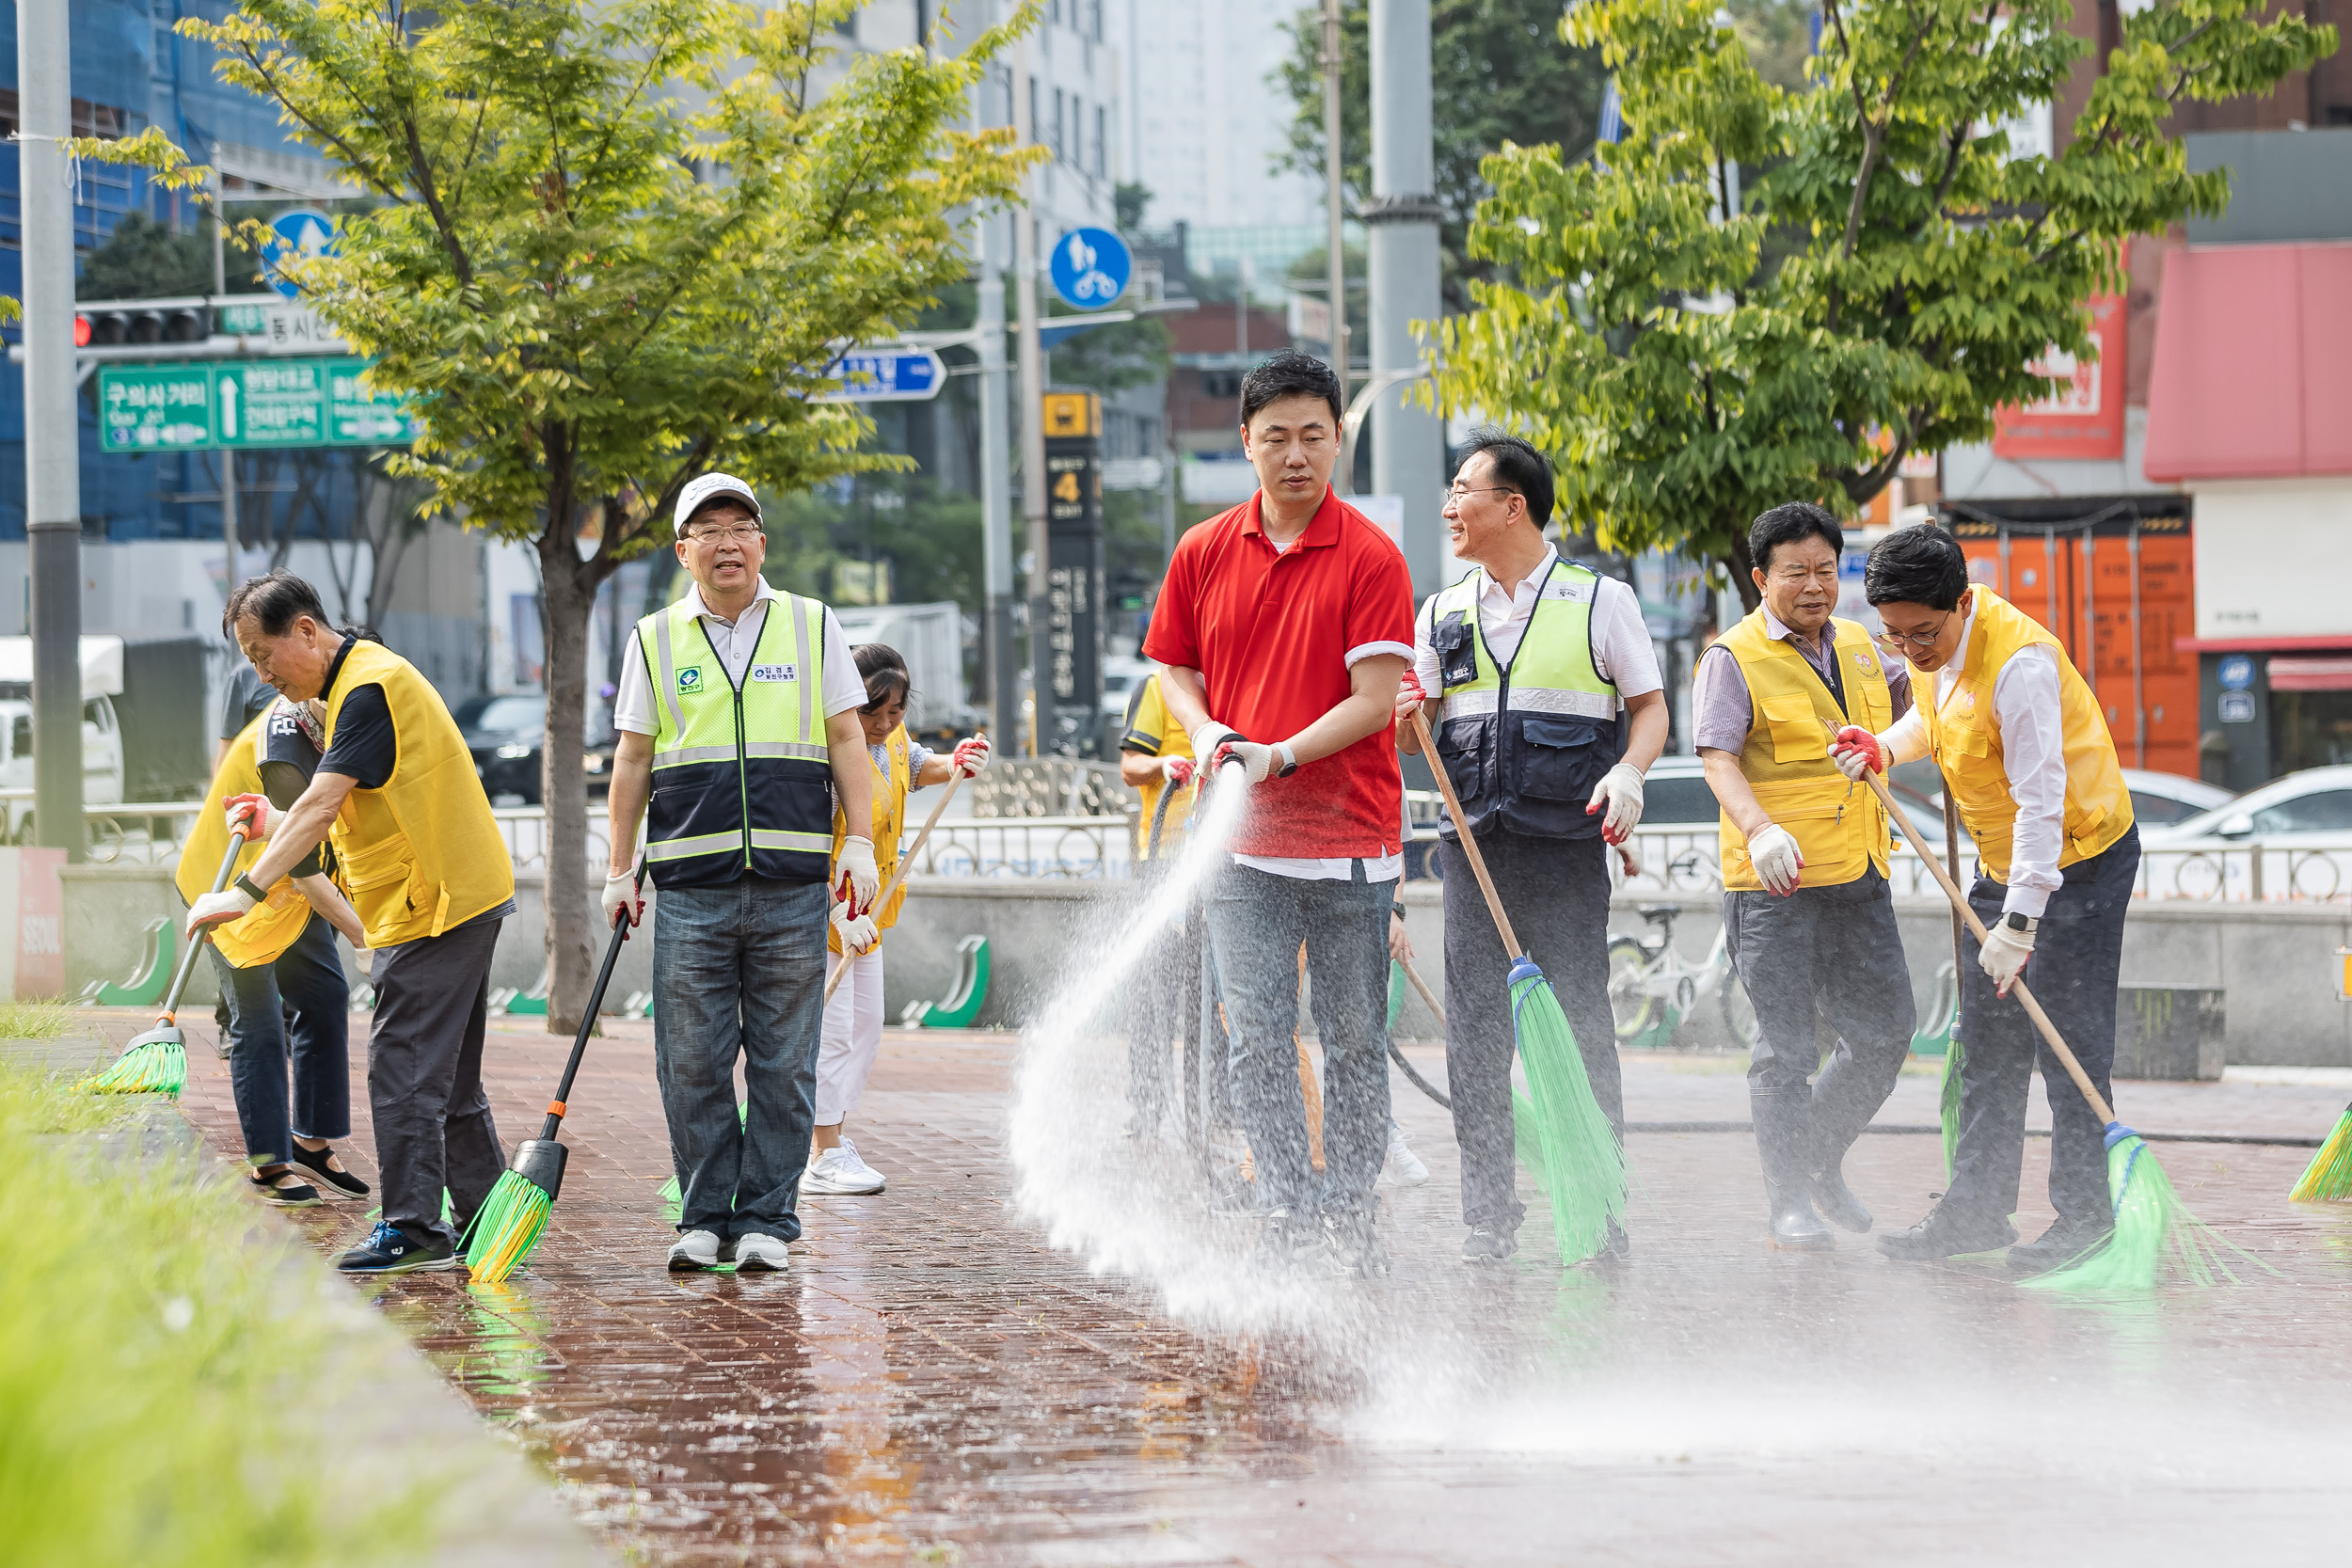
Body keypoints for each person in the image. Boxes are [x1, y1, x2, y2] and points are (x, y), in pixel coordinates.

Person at [1141, 348, 1415, 1277]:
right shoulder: (1203, 548)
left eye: (1312, 435)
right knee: (1254, 1034)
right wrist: (1206, 723)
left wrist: (1279, 752)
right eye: (1275, 438)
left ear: (1338, 438)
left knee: (1350, 1039)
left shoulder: (1372, 555)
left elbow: (1377, 698)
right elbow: (1171, 664)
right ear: (1246, 443)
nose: (1295, 454)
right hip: (1241, 851)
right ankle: (1290, 1205)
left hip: (1349, 846)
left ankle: (1350, 1209)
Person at [187, 572, 516, 1275]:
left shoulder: (367, 689)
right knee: (446, 1074)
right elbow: (344, 812)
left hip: (436, 902)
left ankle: (412, 1227)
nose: (261, 673)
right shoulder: (354, 685)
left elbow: (323, 805)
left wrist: (244, 891)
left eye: (262, 653)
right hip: (446, 894)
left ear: (306, 629)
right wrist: (269, 818)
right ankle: (484, 1219)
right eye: (249, 660)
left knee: (402, 1068)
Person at [1395, 429, 1668, 1265]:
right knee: (1476, 1037)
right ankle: (1489, 1218)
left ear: (1512, 505)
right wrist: (1408, 714)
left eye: (1462, 490)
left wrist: (1628, 772)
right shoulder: (1440, 613)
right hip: (1474, 855)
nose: (1449, 506)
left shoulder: (1599, 601)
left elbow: (1650, 709)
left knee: (1583, 1030)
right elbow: (1422, 743)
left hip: (1563, 854)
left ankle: (1602, 1209)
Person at [1835, 526, 2139, 1271]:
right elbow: (1935, 722)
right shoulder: (1935, 654)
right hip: (2005, 867)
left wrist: (2022, 921)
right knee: (1988, 1044)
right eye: (1894, 634)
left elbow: (2043, 802)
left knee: (2068, 1046)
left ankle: (2087, 1217)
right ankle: (1975, 1211)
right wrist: (1884, 745)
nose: (1911, 649)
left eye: (1924, 632)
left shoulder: (2021, 667)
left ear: (1963, 603)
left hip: (2080, 861)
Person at [602, 473, 879, 1274]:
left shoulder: (811, 623)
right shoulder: (654, 636)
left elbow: (847, 737)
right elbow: (632, 758)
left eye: (742, 525)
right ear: (682, 548)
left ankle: (767, 1218)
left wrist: (857, 840)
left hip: (793, 882)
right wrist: (620, 869)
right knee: (690, 1058)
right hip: (690, 885)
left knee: (786, 1060)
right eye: (709, 529)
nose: (728, 542)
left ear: (762, 541)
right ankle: (704, 1213)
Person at [1693, 502, 1916, 1249]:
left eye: (1827, 569)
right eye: (1796, 572)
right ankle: (1788, 1197)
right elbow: (1718, 756)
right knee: (1787, 1047)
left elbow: (1921, 705)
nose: (1815, 585)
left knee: (1887, 1032)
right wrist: (1757, 828)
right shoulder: (1733, 657)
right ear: (1761, 578)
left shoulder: (1861, 646)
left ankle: (1816, 1158)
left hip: (1858, 875)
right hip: (1774, 886)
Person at [805, 643, 990, 1196]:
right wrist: (834, 908)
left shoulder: (894, 740)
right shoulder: (824, 751)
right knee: (831, 1034)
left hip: (874, 910)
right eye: (872, 712)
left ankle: (835, 1133)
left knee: (866, 1027)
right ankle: (823, 1150)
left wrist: (955, 763)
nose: (884, 724)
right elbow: (803, 845)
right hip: (828, 913)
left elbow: (915, 769)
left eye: (896, 712)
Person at [189, 687, 373, 1207]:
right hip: (226, 887)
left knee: (323, 994)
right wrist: (365, 938)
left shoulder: (343, 728)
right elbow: (307, 864)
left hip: (282, 893)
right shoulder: (285, 750)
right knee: (259, 1019)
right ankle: (268, 1163)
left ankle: (310, 1139)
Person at [1117, 669, 1200, 1137]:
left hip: (1221, 867)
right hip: (1164, 865)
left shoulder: (1235, 676)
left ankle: (1209, 1109)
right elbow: (1131, 766)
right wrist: (1165, 764)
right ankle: (1148, 1106)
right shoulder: (1155, 685)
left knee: (1211, 1000)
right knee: (1154, 993)